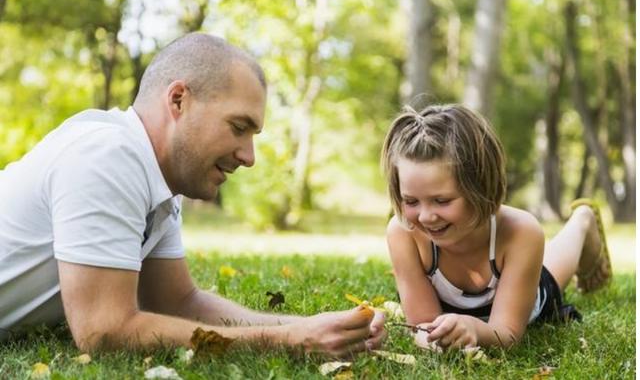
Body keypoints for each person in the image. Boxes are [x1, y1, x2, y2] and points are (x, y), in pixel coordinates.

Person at [0, 33, 386, 356]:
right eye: (239, 127)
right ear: (178, 100)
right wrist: (287, 341)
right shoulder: (108, 156)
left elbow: (179, 302)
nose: (249, 157)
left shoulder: (159, 183)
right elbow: (104, 332)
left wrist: (313, 327)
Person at [381, 103, 612, 349]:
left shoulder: (521, 231)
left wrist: (475, 331)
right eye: (411, 201)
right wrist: (435, 339)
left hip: (524, 298)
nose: (426, 217)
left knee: (553, 271)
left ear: (480, 187)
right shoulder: (403, 232)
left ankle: (582, 222)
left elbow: (508, 333)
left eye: (442, 201)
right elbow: (422, 324)